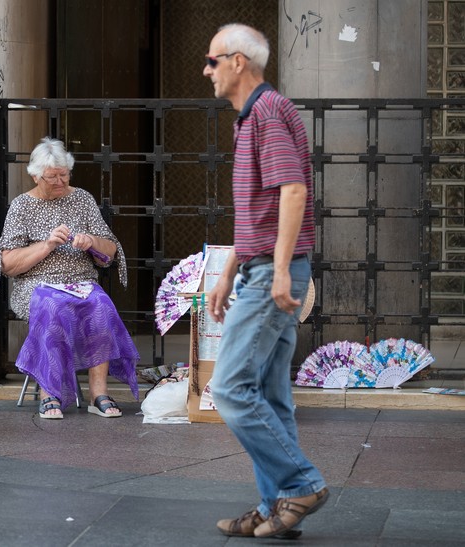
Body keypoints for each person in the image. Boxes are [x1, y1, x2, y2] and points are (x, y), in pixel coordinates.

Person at [202, 24, 329, 539]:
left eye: (211, 61)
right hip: (262, 269)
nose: (206, 71)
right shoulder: (252, 116)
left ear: (237, 61)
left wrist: (277, 269)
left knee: (230, 388)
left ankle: (301, 485)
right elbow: (262, 208)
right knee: (271, 398)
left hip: (273, 274)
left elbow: (293, 191)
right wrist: (231, 267)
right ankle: (276, 507)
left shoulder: (269, 112)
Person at [0, 137, 139, 419]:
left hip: (80, 281)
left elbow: (110, 250)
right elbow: (8, 264)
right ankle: (50, 392)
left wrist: (92, 242)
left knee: (101, 304)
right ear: (35, 175)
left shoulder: (82, 199)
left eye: (64, 175)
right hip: (36, 286)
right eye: (51, 177)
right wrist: (47, 245)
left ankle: (99, 394)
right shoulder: (22, 206)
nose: (59, 182)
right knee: (53, 306)